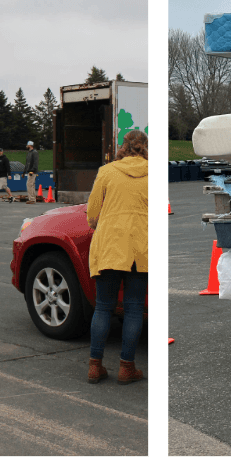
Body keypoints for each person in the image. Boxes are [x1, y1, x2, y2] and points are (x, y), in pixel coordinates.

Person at [85, 129, 148, 385]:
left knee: (103, 306)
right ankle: (126, 368)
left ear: (123, 146)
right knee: (133, 308)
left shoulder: (107, 171)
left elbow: (92, 213)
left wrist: (100, 223)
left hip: (110, 245)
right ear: (145, 147)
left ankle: (94, 366)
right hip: (140, 248)